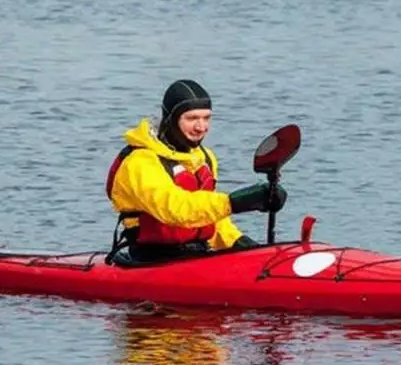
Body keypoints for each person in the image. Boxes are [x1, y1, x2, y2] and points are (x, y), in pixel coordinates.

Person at [105, 79, 286, 265]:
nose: (201, 127)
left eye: (206, 118)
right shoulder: (140, 162)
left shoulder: (205, 158)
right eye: (192, 119)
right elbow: (175, 208)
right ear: (171, 119)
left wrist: (239, 243)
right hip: (150, 260)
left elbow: (207, 216)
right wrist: (235, 202)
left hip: (197, 254)